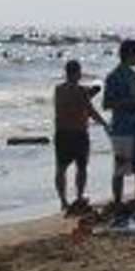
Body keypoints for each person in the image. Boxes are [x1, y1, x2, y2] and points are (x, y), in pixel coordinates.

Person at [53, 59, 108, 213]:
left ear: (66, 73)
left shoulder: (59, 90)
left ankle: (63, 201)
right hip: (78, 132)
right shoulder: (81, 91)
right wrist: (105, 124)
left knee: (61, 168)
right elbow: (90, 111)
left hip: (62, 132)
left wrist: (88, 94)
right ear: (78, 73)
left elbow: (69, 104)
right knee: (81, 167)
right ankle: (79, 196)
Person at [101, 39, 135, 209]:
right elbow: (106, 104)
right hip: (121, 124)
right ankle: (118, 202)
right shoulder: (113, 76)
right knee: (121, 166)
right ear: (129, 54)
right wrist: (129, 102)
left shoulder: (133, 75)